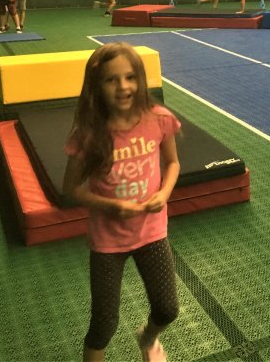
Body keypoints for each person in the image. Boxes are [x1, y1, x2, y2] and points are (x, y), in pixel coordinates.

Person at [63, 43, 181, 362]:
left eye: (130, 77)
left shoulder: (159, 119)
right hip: (108, 242)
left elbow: (172, 163)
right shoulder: (89, 134)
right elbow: (71, 189)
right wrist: (111, 206)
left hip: (151, 232)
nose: (123, 87)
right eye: (111, 80)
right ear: (96, 86)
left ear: (140, 79)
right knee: (104, 324)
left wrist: (164, 193)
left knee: (167, 309)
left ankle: (148, 337)